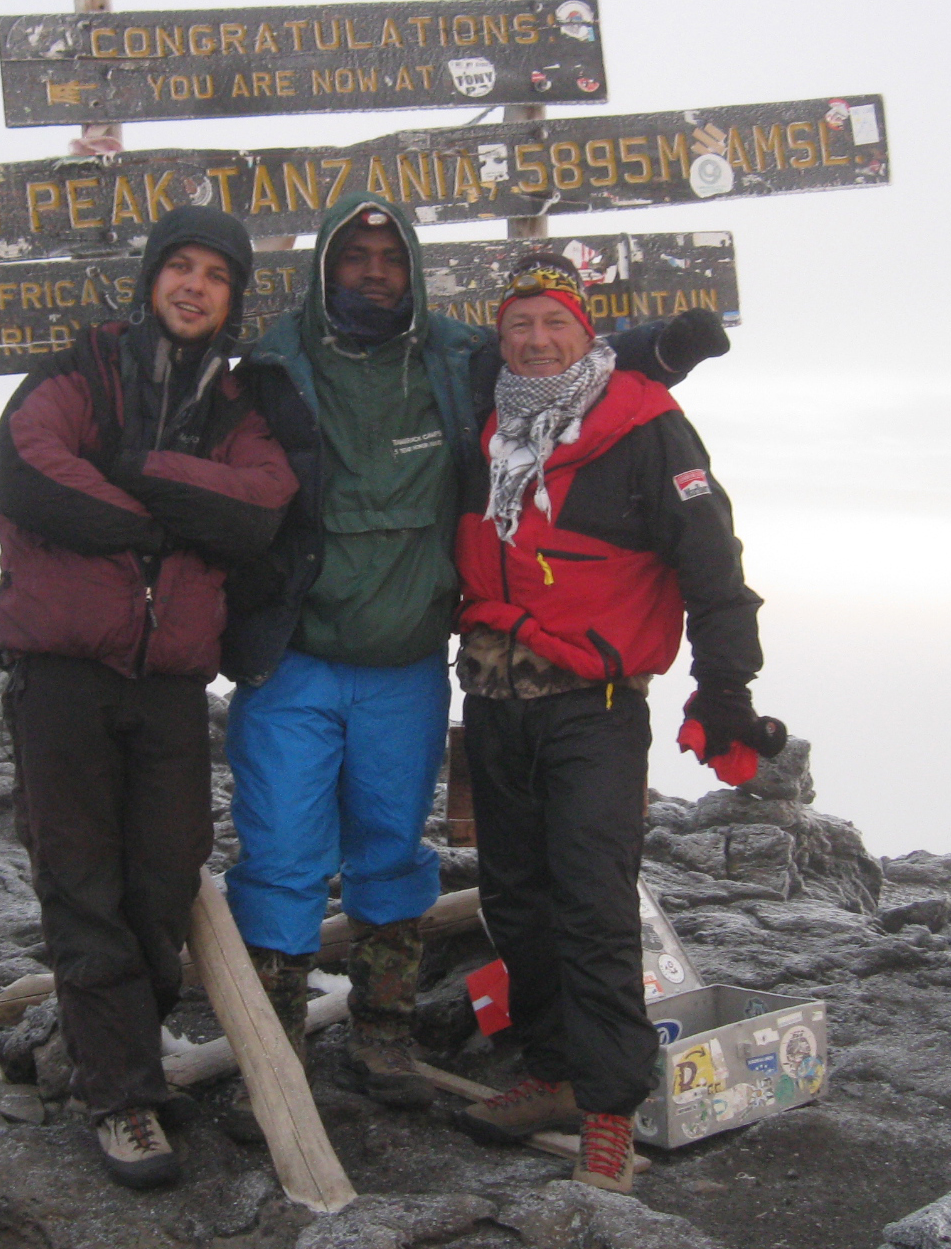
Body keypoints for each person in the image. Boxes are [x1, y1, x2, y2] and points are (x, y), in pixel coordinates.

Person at [217, 194, 730, 1132]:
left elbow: (570, 352)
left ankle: (383, 1040)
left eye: (389, 256)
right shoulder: (274, 365)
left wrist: (669, 345)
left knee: (394, 855)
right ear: (325, 264)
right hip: (298, 656)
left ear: (411, 267)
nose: (373, 270)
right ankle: (273, 1055)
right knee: (285, 859)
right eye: (354, 254)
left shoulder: (454, 358)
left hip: (416, 660)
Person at [449, 253, 785, 1193]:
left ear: (583, 331)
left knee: (592, 904)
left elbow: (713, 567)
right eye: (519, 324)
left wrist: (725, 693)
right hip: (491, 699)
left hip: (592, 707)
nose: (536, 338)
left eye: (554, 322)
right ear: (501, 336)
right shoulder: (486, 420)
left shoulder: (646, 424)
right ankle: (550, 1069)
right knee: (513, 896)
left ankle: (607, 1108)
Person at [0, 206, 298, 1190]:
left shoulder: (238, 407)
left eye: (216, 274)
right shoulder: (80, 369)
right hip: (63, 677)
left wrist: (135, 473)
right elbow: (31, 471)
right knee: (81, 886)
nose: (194, 285)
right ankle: (123, 1097)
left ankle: (108, 1045)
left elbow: (257, 506)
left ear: (234, 298)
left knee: (162, 885)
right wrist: (170, 517)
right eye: (180, 267)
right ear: (150, 280)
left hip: (168, 684)